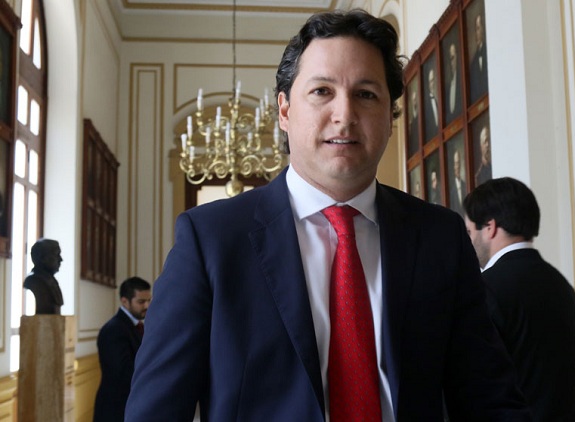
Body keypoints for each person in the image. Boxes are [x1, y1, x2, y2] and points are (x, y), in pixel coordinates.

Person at [125, 9, 529, 421]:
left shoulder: (439, 236)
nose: (344, 114)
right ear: (284, 111)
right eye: (322, 91)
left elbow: (490, 398)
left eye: (366, 94)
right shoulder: (211, 239)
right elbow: (155, 412)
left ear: (391, 118)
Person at [463, 177, 575, 421]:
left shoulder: (483, 288)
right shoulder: (560, 283)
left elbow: (476, 383)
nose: (469, 240)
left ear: (490, 227)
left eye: (469, 231)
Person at [93, 277, 151, 422]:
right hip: (116, 409)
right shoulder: (113, 330)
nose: (147, 306)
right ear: (125, 301)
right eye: (141, 302)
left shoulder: (137, 327)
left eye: (149, 300)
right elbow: (123, 373)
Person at [23, 238, 64, 315]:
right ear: (43, 258)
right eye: (56, 255)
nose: (61, 259)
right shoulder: (35, 280)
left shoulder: (51, 280)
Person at [469, 13, 489, 102]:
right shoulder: (473, 63)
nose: (476, 33)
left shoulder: (489, 51)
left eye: (478, 28)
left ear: (482, 29)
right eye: (475, 30)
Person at [446, 41, 463, 121]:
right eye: (450, 59)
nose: (451, 62)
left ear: (457, 57)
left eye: (453, 58)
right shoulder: (448, 87)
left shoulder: (461, 80)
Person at [449, 148, 467, 214]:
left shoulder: (465, 186)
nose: (458, 166)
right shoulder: (451, 192)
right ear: (453, 166)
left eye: (459, 163)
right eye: (456, 163)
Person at [424, 67, 440, 141]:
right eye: (430, 81)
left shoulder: (437, 101)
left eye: (433, 80)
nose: (432, 84)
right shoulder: (426, 105)